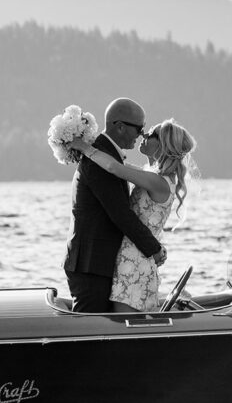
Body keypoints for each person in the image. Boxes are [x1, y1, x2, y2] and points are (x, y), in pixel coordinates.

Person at [70, 118, 198, 312]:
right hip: (131, 257)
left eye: (151, 134)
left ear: (163, 145)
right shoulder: (153, 177)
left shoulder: (158, 182)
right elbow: (118, 165)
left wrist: (84, 148)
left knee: (123, 325)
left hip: (134, 262)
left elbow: (115, 168)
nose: (144, 135)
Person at [63, 97, 165, 312]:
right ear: (119, 127)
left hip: (99, 262)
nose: (141, 134)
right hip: (91, 264)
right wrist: (153, 249)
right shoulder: (101, 159)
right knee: (89, 333)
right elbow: (119, 213)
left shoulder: (104, 154)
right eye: (139, 128)